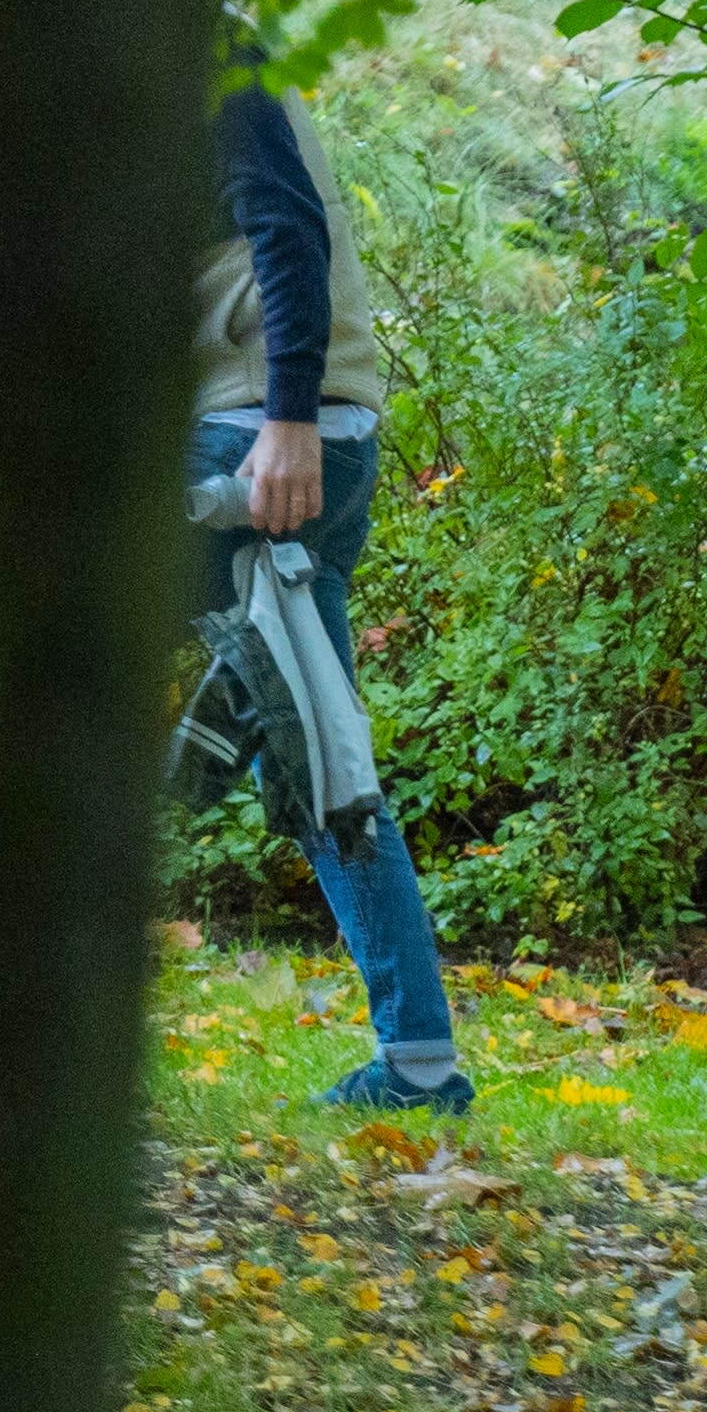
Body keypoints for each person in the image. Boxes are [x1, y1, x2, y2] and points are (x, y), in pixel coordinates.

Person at [189, 77, 470, 1114]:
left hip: (262, 441)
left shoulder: (219, 40)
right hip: (319, 438)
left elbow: (285, 218)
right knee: (323, 754)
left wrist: (287, 415)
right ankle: (420, 1061)